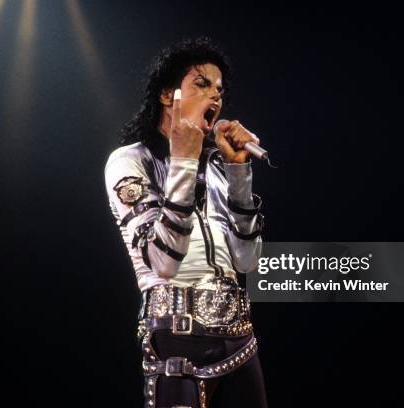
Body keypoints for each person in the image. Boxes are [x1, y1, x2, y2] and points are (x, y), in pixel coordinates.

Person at [104, 37, 268, 408]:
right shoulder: (131, 161)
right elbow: (163, 262)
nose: (216, 97)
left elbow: (247, 261)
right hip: (178, 338)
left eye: (220, 89)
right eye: (202, 84)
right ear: (167, 95)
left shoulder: (218, 167)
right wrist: (182, 161)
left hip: (240, 338)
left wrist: (239, 171)